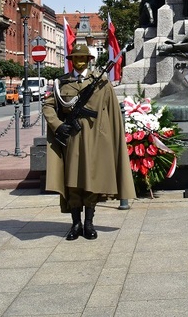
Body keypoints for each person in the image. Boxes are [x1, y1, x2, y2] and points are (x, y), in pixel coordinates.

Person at [43, 41, 135, 241]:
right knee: (73, 182)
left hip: (95, 140)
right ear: (71, 61)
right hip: (72, 140)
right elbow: (48, 106)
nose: (79, 62)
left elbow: (112, 112)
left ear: (89, 60)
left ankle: (89, 223)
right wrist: (58, 125)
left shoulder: (101, 83)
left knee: (91, 180)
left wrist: (111, 139)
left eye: (83, 58)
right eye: (76, 58)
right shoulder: (62, 83)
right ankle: (75, 224)